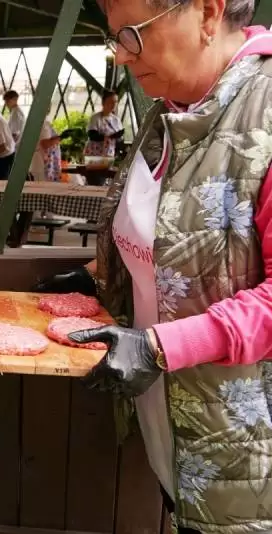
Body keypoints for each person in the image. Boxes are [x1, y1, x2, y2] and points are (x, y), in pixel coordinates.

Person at [34, 1, 272, 531]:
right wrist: (104, 278)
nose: (121, 56)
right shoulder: (169, 109)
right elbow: (169, 242)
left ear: (208, 12)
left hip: (247, 452)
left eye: (133, 34)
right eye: (115, 37)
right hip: (175, 430)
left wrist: (161, 347)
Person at [83, 89, 123, 158]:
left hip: (109, 154)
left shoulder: (116, 120)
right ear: (103, 102)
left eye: (115, 102)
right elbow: (92, 135)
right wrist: (106, 137)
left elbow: (119, 139)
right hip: (93, 154)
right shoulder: (95, 118)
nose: (113, 104)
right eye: (111, 102)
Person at [30, 115, 62, 182]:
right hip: (41, 163)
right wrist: (59, 138)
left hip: (42, 162)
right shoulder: (41, 124)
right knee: (43, 184)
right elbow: (44, 143)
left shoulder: (44, 123)